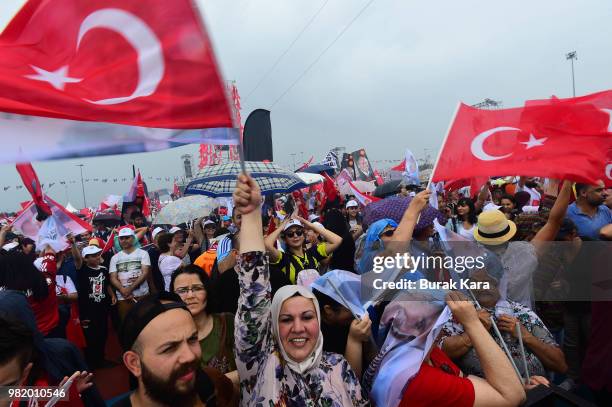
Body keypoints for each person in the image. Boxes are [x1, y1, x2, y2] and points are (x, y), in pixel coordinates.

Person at [233, 173, 369, 406]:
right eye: (286, 320)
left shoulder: (339, 366)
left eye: (307, 317)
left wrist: (307, 224)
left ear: (318, 318)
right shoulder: (261, 369)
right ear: (274, 325)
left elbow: (338, 241)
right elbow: (253, 289)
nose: (298, 328)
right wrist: (252, 215)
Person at [398, 292, 526, 407]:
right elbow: (514, 397)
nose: (442, 331)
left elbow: (469, 382)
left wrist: (518, 382)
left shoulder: (429, 354)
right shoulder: (422, 380)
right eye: (438, 324)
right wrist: (472, 322)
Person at [439, 270, 567, 379]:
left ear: (499, 284)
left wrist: (527, 337)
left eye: (488, 282)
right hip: (490, 396)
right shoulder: (460, 314)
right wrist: (474, 328)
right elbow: (441, 354)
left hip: (536, 389)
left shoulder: (521, 312)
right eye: (475, 283)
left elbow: (560, 365)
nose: (482, 287)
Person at [117, 291, 236, 407]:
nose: (190, 356)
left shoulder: (213, 382)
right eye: (169, 348)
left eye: (192, 339)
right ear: (134, 363)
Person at [473, 179, 573, 307]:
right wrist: (568, 182)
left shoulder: (470, 261)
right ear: (508, 232)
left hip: (484, 324)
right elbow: (554, 222)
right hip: (521, 324)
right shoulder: (524, 253)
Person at [170, 266, 238, 387]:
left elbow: (249, 368)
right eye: (182, 291)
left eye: (197, 288)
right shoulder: (169, 335)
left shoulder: (227, 322)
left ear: (207, 291)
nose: (190, 295)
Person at [71, 241, 117, 369]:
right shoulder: (82, 269)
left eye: (98, 254)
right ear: (86, 259)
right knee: (90, 337)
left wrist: (112, 295)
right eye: (93, 255)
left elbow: (107, 284)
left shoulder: (103, 269)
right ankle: (90, 363)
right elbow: (76, 258)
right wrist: (73, 243)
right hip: (87, 310)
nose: (97, 257)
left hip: (102, 308)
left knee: (102, 335)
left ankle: (101, 360)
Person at [264, 216, 342, 284]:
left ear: (303, 235)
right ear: (285, 239)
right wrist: (282, 226)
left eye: (299, 232)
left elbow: (338, 241)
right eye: (290, 234)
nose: (295, 236)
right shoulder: (284, 258)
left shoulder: (314, 252)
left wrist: (309, 224)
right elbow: (266, 245)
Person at [109, 227, 152, 322]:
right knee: (127, 325)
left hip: (141, 295)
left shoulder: (143, 253)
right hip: (123, 297)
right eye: (121, 238)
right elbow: (112, 277)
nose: (124, 240)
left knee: (144, 323)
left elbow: (145, 273)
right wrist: (122, 290)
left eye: (127, 238)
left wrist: (130, 288)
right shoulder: (114, 258)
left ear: (133, 238)